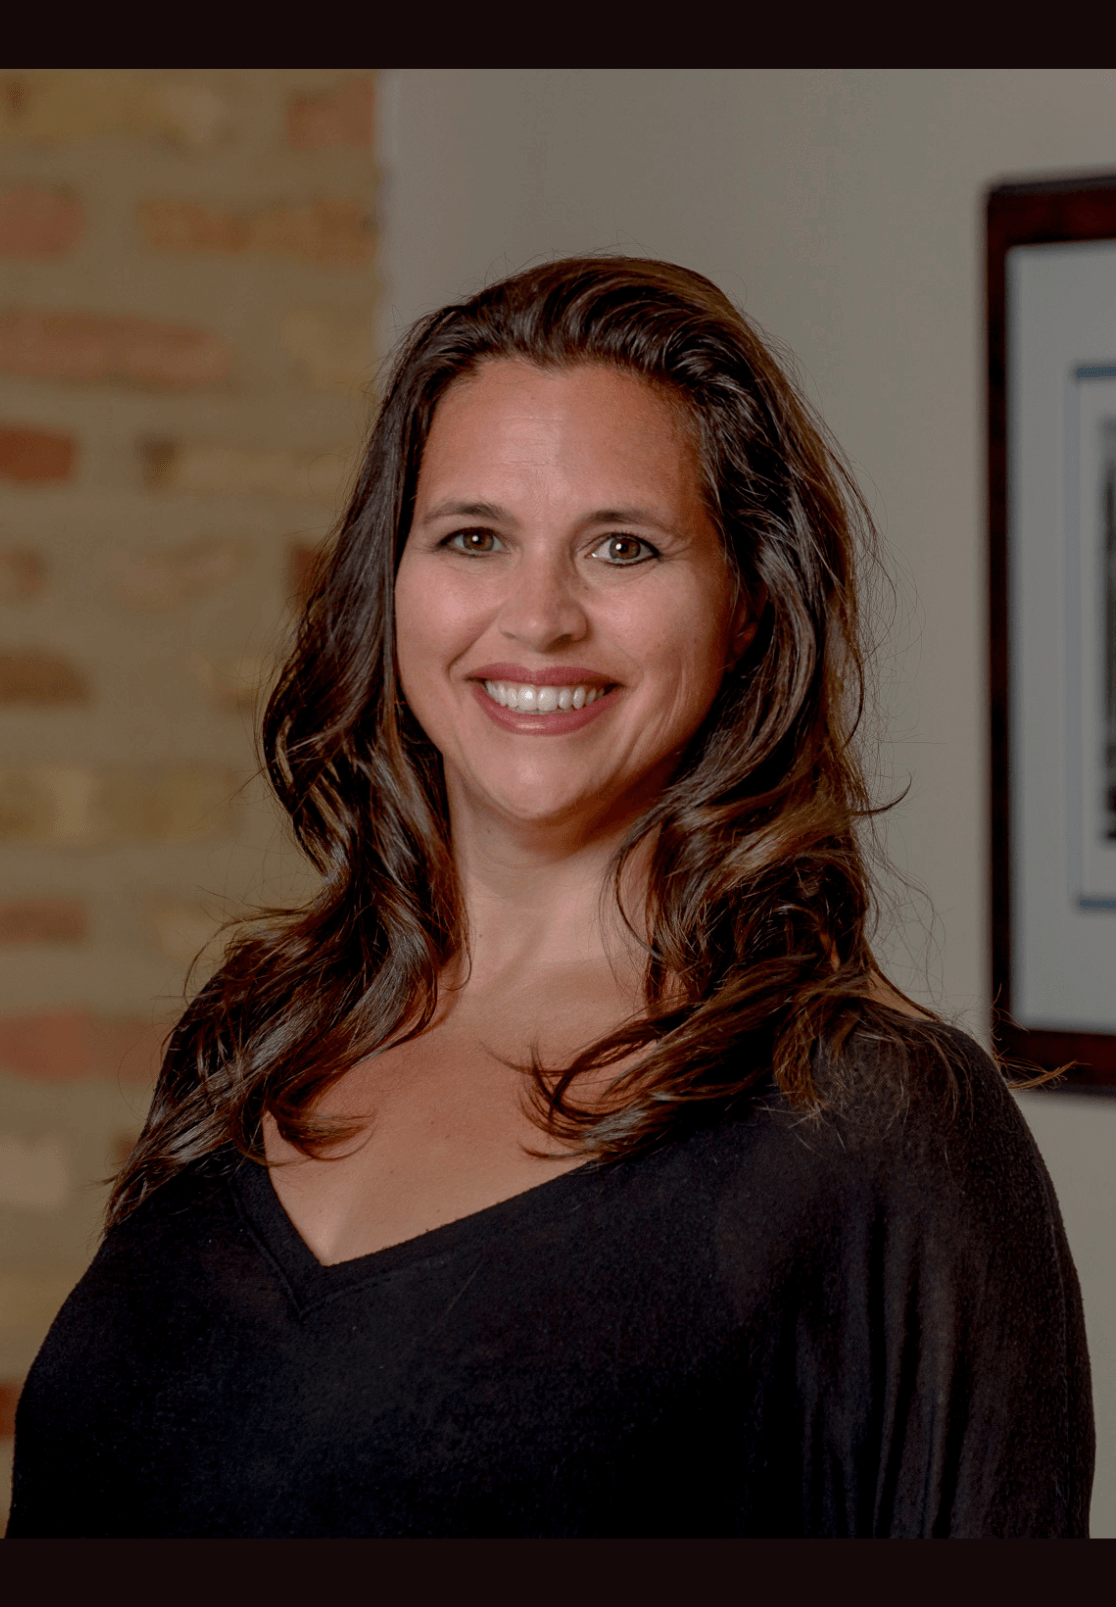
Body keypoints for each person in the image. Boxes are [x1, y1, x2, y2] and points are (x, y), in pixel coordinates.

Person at [7, 258, 1093, 1539]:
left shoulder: (877, 1124)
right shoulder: (257, 1036)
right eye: (473, 536)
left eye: (622, 546)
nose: (538, 617)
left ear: (746, 603)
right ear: (391, 581)